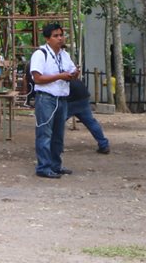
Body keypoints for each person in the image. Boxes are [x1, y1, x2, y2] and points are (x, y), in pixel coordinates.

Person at [30, 22, 77, 179]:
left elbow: (71, 71)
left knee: (58, 134)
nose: (60, 38)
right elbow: (37, 78)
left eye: (61, 35)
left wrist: (74, 74)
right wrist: (60, 76)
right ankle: (43, 167)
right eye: (55, 36)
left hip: (61, 98)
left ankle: (56, 165)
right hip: (46, 98)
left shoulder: (64, 55)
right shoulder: (40, 54)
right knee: (45, 133)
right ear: (47, 39)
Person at [66, 77, 110, 154]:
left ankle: (53, 147)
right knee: (91, 122)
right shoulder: (66, 68)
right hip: (83, 95)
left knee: (56, 124)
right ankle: (104, 145)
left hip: (71, 98)